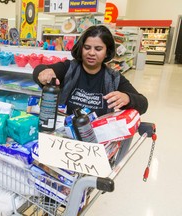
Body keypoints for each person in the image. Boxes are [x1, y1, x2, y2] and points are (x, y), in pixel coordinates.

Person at [33, 25, 148, 163]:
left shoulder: (113, 78)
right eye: (87, 47)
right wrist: (43, 73)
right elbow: (39, 70)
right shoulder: (69, 68)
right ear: (81, 48)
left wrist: (127, 98)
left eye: (98, 49)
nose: (91, 53)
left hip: (95, 146)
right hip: (62, 142)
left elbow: (143, 103)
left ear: (107, 52)